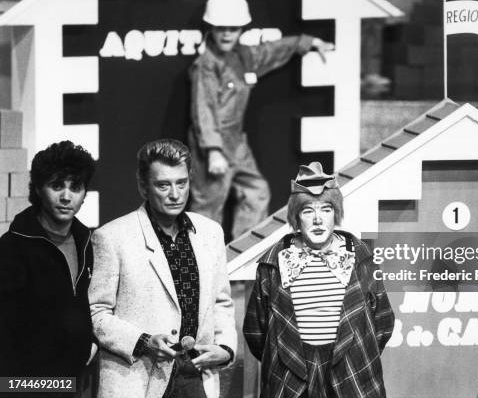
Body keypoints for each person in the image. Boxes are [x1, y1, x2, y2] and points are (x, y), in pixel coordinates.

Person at [88, 139, 236, 398]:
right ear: (143, 186)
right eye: (163, 185)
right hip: (137, 379)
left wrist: (226, 349)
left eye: (181, 183)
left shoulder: (211, 233)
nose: (175, 194)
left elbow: (222, 302)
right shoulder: (112, 237)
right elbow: (96, 313)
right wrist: (143, 342)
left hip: (196, 376)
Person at [188, 0, 334, 240]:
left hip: (237, 143)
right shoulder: (206, 66)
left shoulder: (243, 57)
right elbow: (203, 111)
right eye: (221, 28)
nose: (226, 34)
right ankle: (203, 265)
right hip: (211, 147)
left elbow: (271, 50)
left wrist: (307, 42)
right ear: (210, 27)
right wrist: (213, 150)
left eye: (233, 28)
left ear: (241, 29)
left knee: (257, 193)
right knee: (209, 210)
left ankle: (241, 258)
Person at [243, 162, 395, 397]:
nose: (317, 219)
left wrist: (356, 351)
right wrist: (284, 358)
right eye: (307, 211)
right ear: (296, 217)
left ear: (336, 213)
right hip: (290, 375)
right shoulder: (274, 265)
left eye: (326, 209)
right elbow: (256, 331)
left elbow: (382, 322)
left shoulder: (361, 260)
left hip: (351, 372)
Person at [0, 141, 97, 395]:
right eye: (57, 186)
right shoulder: (11, 248)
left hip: (77, 383)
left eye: (75, 187)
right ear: (39, 190)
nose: (66, 196)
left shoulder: (87, 242)